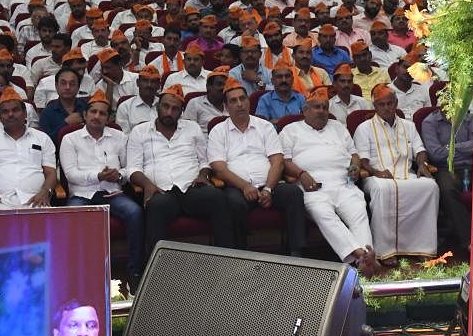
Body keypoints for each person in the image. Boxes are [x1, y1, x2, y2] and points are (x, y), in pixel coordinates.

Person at [279, 87, 380, 275]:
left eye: (325, 107)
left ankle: (364, 257)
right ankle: (362, 255)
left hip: (344, 182)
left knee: (359, 212)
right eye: (316, 107)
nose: (321, 111)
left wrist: (355, 167)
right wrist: (301, 173)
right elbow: (284, 161)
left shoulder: (338, 127)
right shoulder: (290, 130)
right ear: (305, 110)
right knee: (325, 215)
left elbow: (354, 154)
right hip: (313, 187)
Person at [127, 85, 235, 254]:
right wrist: (147, 185)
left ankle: (226, 261)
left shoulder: (192, 128)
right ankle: (156, 271)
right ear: (158, 107)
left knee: (218, 198)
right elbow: (132, 168)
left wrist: (203, 175)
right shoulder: (139, 132)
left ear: (182, 111)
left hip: (191, 188)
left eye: (175, 109)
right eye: (165, 107)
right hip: (160, 190)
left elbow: (204, 160)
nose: (169, 112)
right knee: (155, 206)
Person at [209, 78, 307, 254]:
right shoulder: (218, 131)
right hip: (237, 187)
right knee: (232, 203)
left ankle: (296, 252)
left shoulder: (265, 126)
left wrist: (269, 188)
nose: (239, 104)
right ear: (226, 106)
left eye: (242, 99)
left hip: (269, 184)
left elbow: (277, 160)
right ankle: (240, 254)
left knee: (294, 194)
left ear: (248, 101)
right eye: (233, 100)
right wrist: (245, 186)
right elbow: (219, 168)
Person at [61, 89, 145, 282]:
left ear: (108, 118)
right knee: (71, 217)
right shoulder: (70, 139)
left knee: (135, 213)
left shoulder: (119, 137)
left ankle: (134, 271)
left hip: (113, 193)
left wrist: (119, 175)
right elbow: (71, 175)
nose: (97, 116)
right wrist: (98, 176)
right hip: (82, 195)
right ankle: (77, 273)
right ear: (85, 115)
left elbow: (129, 168)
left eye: (102, 113)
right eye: (93, 112)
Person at [354, 84, 440, 261]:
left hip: (407, 173)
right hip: (376, 177)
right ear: (375, 106)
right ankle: (385, 252)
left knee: (431, 186)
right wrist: (376, 172)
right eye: (382, 104)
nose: (387, 108)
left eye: (390, 103)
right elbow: (363, 160)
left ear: (396, 103)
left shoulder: (408, 126)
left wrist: (423, 165)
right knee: (383, 190)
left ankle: (421, 248)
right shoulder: (364, 128)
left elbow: (420, 149)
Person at [0, 87, 57, 209]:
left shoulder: (42, 138)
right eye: (5, 112)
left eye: (15, 110)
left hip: (35, 199)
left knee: (47, 223)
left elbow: (51, 172)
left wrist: (45, 191)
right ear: (0, 117)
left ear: (25, 113)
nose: (10, 114)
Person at [420, 106, 473, 252]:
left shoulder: (469, 118)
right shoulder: (430, 122)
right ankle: (470, 241)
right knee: (448, 189)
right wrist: (465, 149)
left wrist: (449, 148)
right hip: (446, 168)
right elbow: (436, 154)